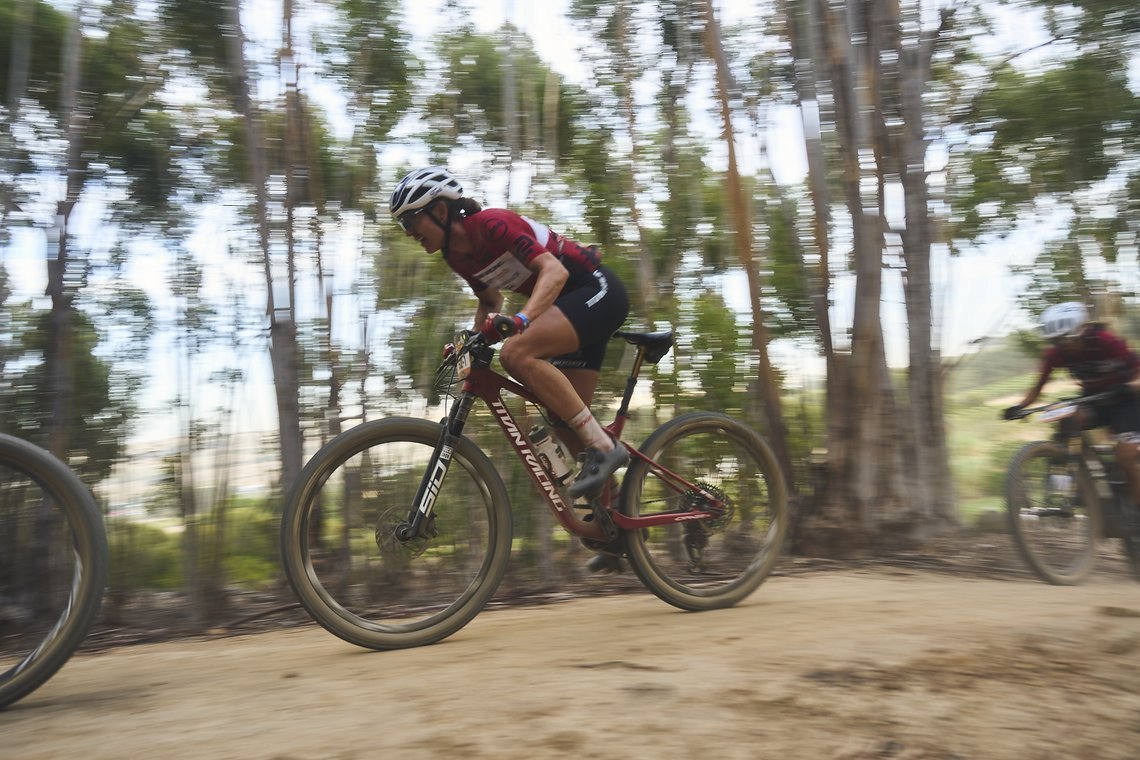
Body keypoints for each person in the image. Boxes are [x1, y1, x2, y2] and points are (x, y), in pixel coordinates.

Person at [390, 166, 630, 500]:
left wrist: (521, 319)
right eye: (402, 224)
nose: (407, 232)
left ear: (440, 210)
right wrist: (469, 342)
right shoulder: (456, 256)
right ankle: (615, 527)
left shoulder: (491, 224)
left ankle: (606, 446)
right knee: (566, 423)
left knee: (515, 353)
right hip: (565, 313)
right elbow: (490, 300)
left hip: (597, 290)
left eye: (410, 221)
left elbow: (554, 271)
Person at [1003, 301, 1140, 508]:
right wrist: (1020, 407)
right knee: (1067, 419)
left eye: (1067, 340)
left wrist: (1128, 386)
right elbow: (1038, 386)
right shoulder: (1056, 353)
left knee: (1125, 455)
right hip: (1094, 398)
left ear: (1082, 331)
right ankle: (1074, 478)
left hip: (1125, 399)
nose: (1063, 347)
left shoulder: (1106, 341)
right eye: (1056, 342)